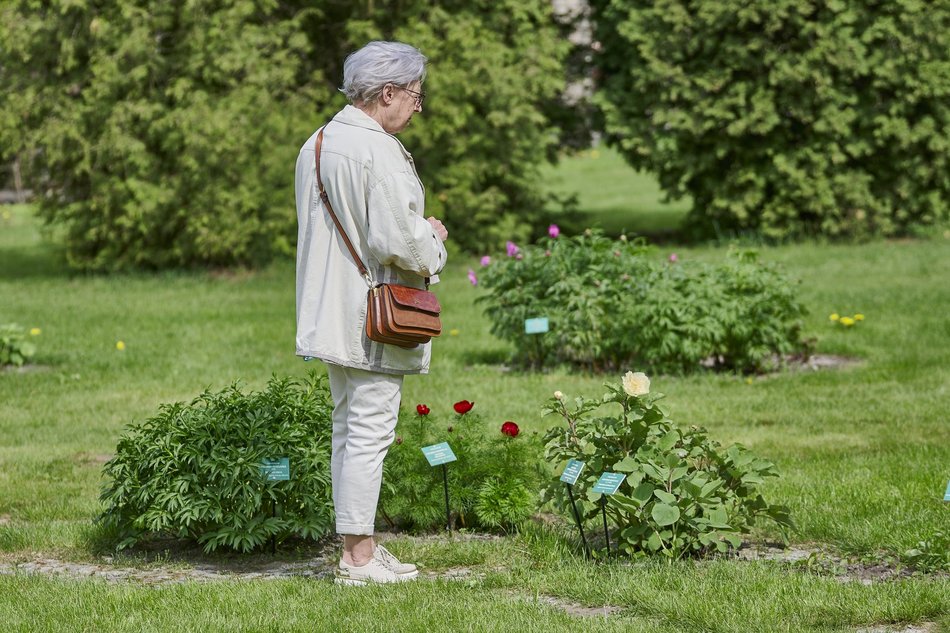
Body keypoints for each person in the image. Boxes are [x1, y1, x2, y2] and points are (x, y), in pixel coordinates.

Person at [294, 41, 448, 585]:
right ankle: (358, 559)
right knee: (369, 431)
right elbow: (399, 243)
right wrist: (434, 239)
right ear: (387, 92)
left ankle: (357, 547)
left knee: (348, 427)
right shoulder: (377, 150)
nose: (417, 107)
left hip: (330, 309)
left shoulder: (318, 142)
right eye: (415, 95)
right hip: (373, 315)